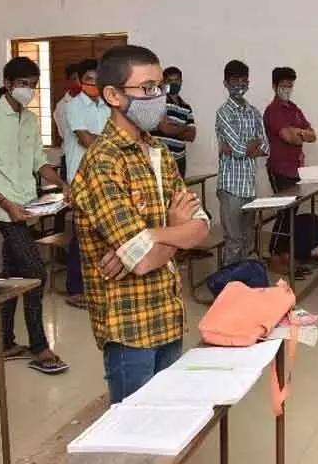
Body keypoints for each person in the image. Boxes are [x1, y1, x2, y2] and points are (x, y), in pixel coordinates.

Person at [71, 44, 209, 404]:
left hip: (168, 311)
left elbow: (201, 226)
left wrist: (152, 234)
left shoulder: (158, 152)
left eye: (160, 87)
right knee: (134, 434)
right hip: (130, 325)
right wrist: (176, 231)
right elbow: (141, 259)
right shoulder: (102, 162)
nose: (158, 96)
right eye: (147, 88)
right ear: (114, 95)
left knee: (166, 420)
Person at [0, 56, 70, 375]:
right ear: (8, 85)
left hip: (26, 207)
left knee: (13, 277)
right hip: (3, 208)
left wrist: (63, 185)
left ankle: (5, 341)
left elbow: (39, 161)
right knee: (36, 272)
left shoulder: (29, 119)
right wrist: (5, 202)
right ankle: (39, 345)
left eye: (33, 85)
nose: (29, 90)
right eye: (23, 84)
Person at [61, 59, 110, 309]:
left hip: (104, 177)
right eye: (89, 79)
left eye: (97, 79)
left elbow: (109, 137)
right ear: (80, 81)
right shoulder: (73, 106)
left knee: (101, 234)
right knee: (82, 235)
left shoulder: (107, 105)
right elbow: (85, 139)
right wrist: (109, 147)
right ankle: (75, 288)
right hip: (81, 179)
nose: (94, 84)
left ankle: (96, 285)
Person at [263, 66, 316, 276]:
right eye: (283, 85)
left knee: (292, 215)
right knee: (284, 213)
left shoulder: (294, 108)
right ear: (275, 86)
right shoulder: (273, 110)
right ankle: (274, 256)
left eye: (290, 85)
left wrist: (299, 132)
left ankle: (285, 254)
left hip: (296, 170)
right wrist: (299, 134)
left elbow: (312, 135)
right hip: (279, 169)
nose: (287, 89)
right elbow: (288, 137)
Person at [215, 59, 269, 265]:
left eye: (243, 80)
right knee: (234, 241)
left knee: (247, 241)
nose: (240, 84)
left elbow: (265, 147)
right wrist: (248, 146)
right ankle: (230, 289)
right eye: (234, 80)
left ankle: (243, 286)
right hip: (231, 187)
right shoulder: (223, 112)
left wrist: (244, 147)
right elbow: (238, 150)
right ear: (226, 83)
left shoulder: (253, 111)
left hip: (249, 186)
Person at [152, 66, 196, 178]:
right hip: (160, 158)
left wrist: (173, 126)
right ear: (163, 83)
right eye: (170, 81)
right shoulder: (158, 100)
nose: (174, 83)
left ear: (181, 81)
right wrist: (184, 127)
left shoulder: (186, 107)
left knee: (180, 193)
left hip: (180, 159)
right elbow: (165, 128)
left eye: (176, 80)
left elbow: (192, 135)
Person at [54, 59, 91, 175]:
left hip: (92, 156)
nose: (79, 82)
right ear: (68, 81)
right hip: (72, 156)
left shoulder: (91, 100)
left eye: (81, 79)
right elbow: (68, 133)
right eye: (75, 79)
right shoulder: (62, 105)